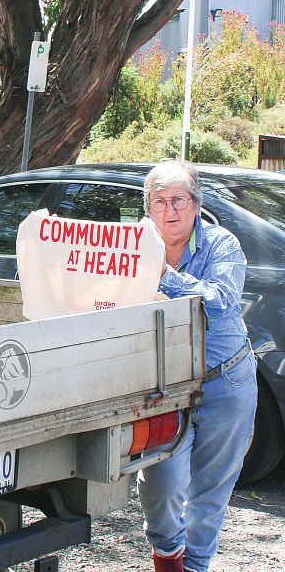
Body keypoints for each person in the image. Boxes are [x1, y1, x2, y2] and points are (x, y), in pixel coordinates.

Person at [138, 159, 258, 572]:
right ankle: (168, 551)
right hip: (164, 385)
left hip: (226, 380)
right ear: (148, 208)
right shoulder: (132, 245)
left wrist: (163, 276)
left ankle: (194, 566)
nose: (169, 210)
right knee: (162, 482)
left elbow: (221, 302)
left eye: (178, 200)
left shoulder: (221, 244)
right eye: (159, 202)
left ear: (195, 203)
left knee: (211, 489)